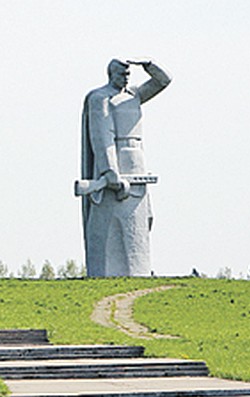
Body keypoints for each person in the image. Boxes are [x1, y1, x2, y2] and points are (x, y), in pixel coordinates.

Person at [81, 59, 171, 277]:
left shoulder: (134, 95)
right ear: (111, 73)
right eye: (122, 73)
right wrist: (110, 170)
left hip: (137, 161)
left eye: (128, 74)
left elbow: (163, 81)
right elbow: (102, 135)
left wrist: (148, 65)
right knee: (110, 223)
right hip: (117, 162)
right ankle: (107, 272)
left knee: (139, 223)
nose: (126, 77)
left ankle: (138, 270)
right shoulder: (100, 98)